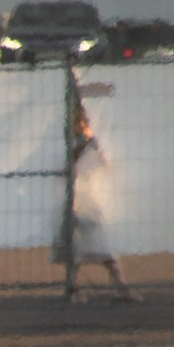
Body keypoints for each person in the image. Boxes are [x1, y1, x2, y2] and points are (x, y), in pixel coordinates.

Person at [57, 109, 137, 303]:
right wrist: (78, 152)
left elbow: (107, 166)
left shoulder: (96, 144)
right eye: (82, 121)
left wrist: (94, 146)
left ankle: (121, 288)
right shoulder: (71, 144)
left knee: (103, 244)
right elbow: (65, 170)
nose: (84, 125)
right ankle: (75, 290)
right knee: (75, 247)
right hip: (74, 201)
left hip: (90, 201)